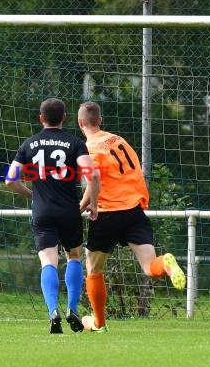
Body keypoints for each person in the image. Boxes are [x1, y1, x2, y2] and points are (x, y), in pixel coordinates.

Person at [77, 101, 186, 333]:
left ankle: (99, 323)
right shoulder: (118, 140)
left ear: (80, 123)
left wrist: (82, 206)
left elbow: (93, 180)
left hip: (108, 213)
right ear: (101, 120)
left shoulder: (90, 148)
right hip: (134, 211)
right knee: (149, 267)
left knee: (94, 270)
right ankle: (165, 262)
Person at [6, 98, 100, 334]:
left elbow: (10, 180)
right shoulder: (75, 143)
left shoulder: (28, 144)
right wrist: (92, 205)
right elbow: (93, 176)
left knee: (48, 261)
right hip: (69, 211)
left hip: (42, 212)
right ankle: (71, 308)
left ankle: (52, 312)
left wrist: (32, 195)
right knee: (75, 257)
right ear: (65, 117)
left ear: (41, 118)